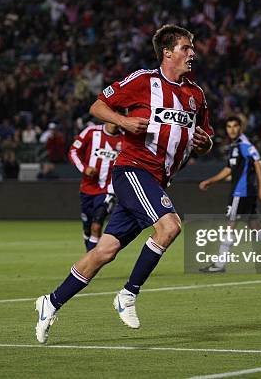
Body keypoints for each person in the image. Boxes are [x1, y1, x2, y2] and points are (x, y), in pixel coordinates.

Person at [35, 24, 213, 343]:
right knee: (170, 226)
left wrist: (205, 144)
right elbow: (98, 106)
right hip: (132, 169)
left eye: (192, 47)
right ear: (168, 52)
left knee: (105, 251)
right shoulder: (144, 81)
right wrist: (123, 121)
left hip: (157, 180)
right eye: (187, 47)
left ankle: (50, 302)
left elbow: (206, 138)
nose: (192, 53)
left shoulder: (195, 95)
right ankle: (128, 295)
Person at [198, 116, 261, 273]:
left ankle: (219, 264)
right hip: (245, 191)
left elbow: (258, 162)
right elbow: (229, 169)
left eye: (235, 126)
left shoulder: (244, 144)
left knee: (230, 225)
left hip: (241, 192)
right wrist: (210, 181)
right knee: (255, 225)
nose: (232, 129)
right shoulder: (235, 146)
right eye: (229, 126)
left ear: (241, 128)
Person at [68, 121, 122, 251]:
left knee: (97, 225)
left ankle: (89, 264)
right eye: (112, 120)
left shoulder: (125, 137)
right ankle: (89, 258)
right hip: (87, 188)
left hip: (109, 189)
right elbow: (73, 151)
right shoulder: (91, 132)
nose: (114, 124)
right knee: (87, 228)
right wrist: (84, 168)